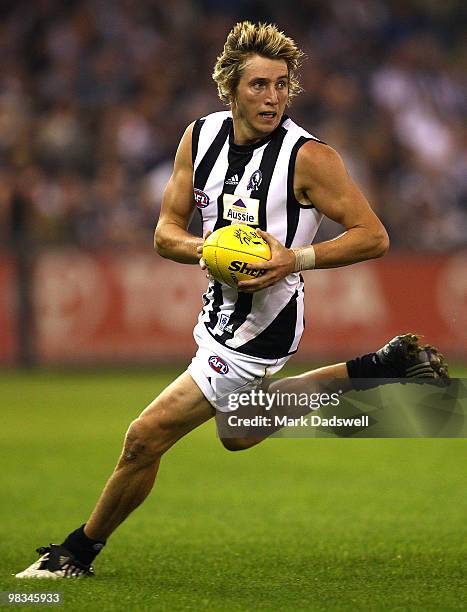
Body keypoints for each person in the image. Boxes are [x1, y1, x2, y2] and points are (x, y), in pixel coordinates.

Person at [16, 21, 448, 579]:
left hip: (262, 326)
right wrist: (210, 248)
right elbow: (164, 233)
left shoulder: (309, 158)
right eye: (259, 85)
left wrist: (295, 258)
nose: (273, 98)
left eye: (282, 85)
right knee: (238, 432)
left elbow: (374, 235)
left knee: (144, 438)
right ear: (230, 88)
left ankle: (76, 553)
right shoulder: (199, 138)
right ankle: (379, 366)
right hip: (218, 312)